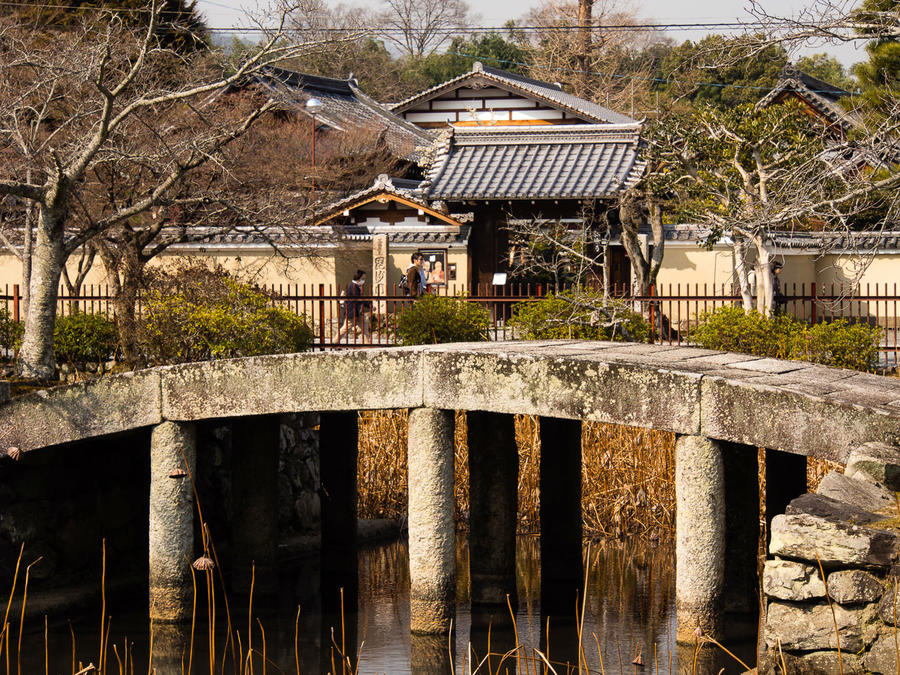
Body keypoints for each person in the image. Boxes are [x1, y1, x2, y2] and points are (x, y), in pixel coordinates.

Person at [337, 269, 371, 342]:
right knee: (345, 328)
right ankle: (334, 342)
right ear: (358, 278)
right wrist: (369, 305)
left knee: (364, 328)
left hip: (357, 312)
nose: (363, 281)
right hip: (352, 312)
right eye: (363, 278)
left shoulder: (356, 286)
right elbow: (359, 299)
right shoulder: (353, 286)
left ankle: (367, 344)